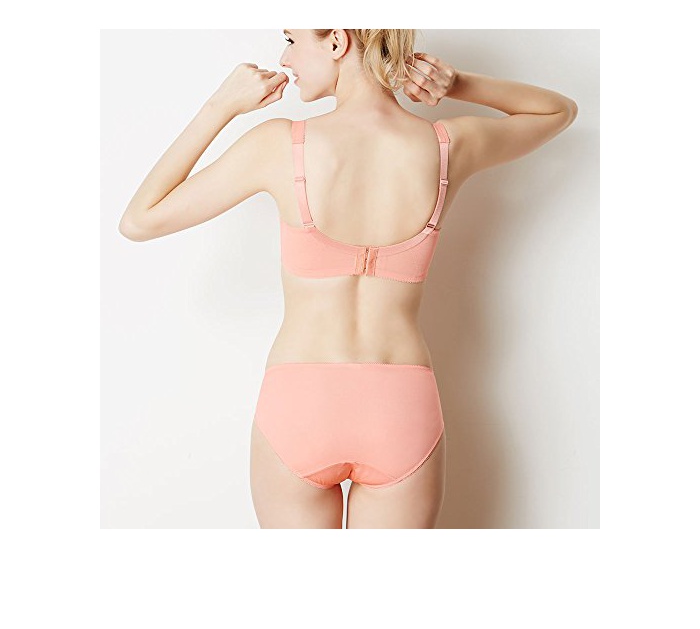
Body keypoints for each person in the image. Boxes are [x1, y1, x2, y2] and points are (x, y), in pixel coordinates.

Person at [119, 29, 578, 529]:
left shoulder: (279, 145)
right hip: (401, 410)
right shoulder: (448, 146)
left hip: (300, 404)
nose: (285, 56)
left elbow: (140, 220)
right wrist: (457, 84)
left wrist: (222, 106)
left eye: (292, 38)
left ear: (337, 41)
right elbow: (558, 112)